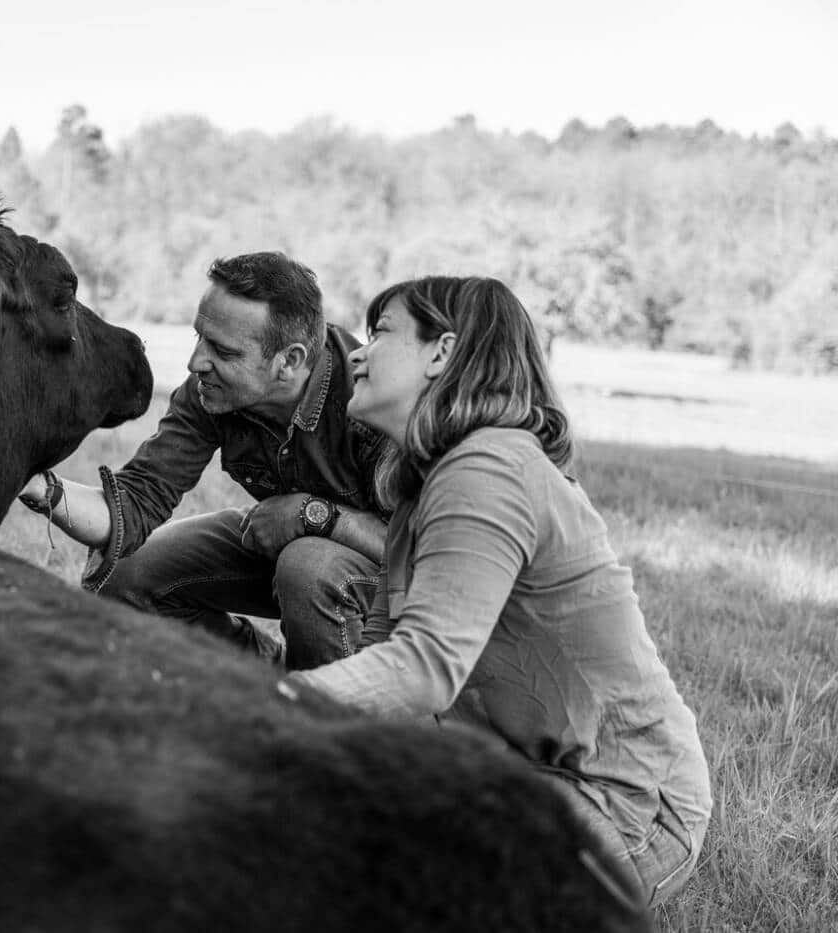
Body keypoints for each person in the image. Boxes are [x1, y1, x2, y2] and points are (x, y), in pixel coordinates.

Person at [279, 276, 711, 907]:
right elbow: (380, 660)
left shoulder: (488, 469)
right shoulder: (420, 488)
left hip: (626, 807)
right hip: (518, 774)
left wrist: (266, 703)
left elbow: (422, 668)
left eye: (381, 332)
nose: (356, 353)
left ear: (442, 352)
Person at [18, 251, 391, 671]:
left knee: (308, 566)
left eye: (223, 351)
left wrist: (314, 515)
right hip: (286, 550)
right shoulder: (208, 392)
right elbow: (132, 506)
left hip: (391, 581)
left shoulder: (374, 399)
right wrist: (33, 482)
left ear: (290, 361)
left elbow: (426, 548)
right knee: (124, 573)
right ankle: (265, 684)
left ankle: (346, 723)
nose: (196, 362)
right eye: (199, 337)